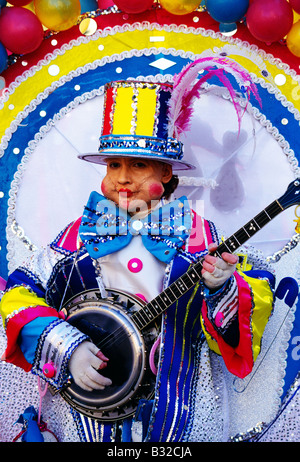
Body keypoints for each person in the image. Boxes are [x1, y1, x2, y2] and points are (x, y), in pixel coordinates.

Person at [0, 68, 275, 442]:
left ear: (166, 171)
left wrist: (224, 288)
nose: (122, 178)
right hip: (85, 414)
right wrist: (66, 346)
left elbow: (256, 295)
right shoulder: (75, 236)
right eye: (114, 165)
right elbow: (18, 295)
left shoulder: (203, 237)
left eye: (138, 165)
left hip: (183, 415)